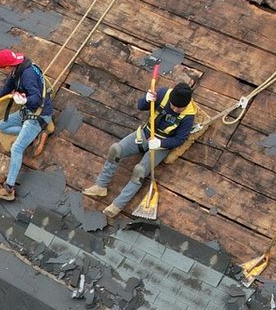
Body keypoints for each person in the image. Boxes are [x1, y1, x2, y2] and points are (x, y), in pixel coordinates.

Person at [85, 82, 199, 215]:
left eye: (179, 108)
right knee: (115, 149)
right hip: (145, 133)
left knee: (140, 171)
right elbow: (141, 106)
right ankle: (101, 186)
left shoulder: (188, 117)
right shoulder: (162, 94)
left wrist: (160, 143)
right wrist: (146, 100)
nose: (174, 109)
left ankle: (117, 205)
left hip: (161, 145)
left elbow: (180, 139)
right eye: (173, 106)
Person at [0, 49, 47, 202]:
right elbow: (8, 87)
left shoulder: (27, 75)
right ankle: (34, 135)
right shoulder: (17, 68)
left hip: (38, 114)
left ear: (8, 66)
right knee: (2, 125)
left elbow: (37, 98)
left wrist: (25, 101)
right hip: (27, 110)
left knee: (17, 148)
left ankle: (9, 188)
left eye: (2, 68)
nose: (2, 71)